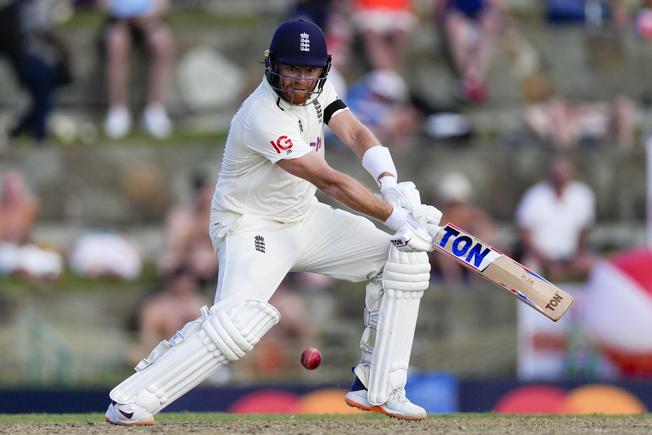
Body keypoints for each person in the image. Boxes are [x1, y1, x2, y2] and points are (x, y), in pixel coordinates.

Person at [104, 19, 443, 425]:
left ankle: (381, 387)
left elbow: (353, 132)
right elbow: (328, 180)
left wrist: (391, 183)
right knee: (239, 324)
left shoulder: (320, 90)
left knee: (401, 260)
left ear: (322, 69)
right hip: (251, 227)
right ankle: (131, 401)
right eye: (292, 69)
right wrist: (396, 216)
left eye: (309, 70)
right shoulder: (261, 115)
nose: (301, 80)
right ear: (273, 66)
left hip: (305, 218)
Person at [98, 0, 174, 139]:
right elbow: (103, 4)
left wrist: (150, 15)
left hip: (150, 19)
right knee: (116, 44)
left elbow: (164, 4)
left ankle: (155, 110)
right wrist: (123, 15)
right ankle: (118, 110)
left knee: (162, 43)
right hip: (119, 20)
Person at [0, 0, 72, 142]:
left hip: (21, 59)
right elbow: (42, 28)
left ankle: (18, 131)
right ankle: (38, 135)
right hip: (33, 58)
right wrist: (63, 47)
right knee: (45, 99)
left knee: (41, 100)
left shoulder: (21, 6)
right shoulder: (35, 5)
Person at [515, 156, 596, 281]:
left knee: (596, 267)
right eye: (557, 174)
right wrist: (546, 263)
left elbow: (583, 231)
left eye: (564, 173)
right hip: (539, 257)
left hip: (571, 257)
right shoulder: (535, 196)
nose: (561, 178)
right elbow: (525, 235)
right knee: (527, 270)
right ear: (550, 175)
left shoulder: (582, 194)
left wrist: (576, 256)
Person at [127, 265, 210, 367]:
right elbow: (147, 337)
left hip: (195, 350)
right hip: (162, 352)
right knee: (134, 354)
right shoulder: (156, 307)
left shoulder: (200, 304)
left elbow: (207, 332)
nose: (184, 285)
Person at [434, 0, 505, 103]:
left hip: (479, 10)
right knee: (453, 25)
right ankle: (473, 79)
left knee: (488, 24)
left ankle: (472, 79)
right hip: (456, 10)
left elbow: (496, 5)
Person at [158, 172, 217, 285]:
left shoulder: (218, 212)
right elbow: (175, 244)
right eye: (199, 190)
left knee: (204, 259)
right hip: (187, 255)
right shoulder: (180, 213)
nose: (203, 195)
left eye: (206, 189)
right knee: (168, 261)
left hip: (212, 256)